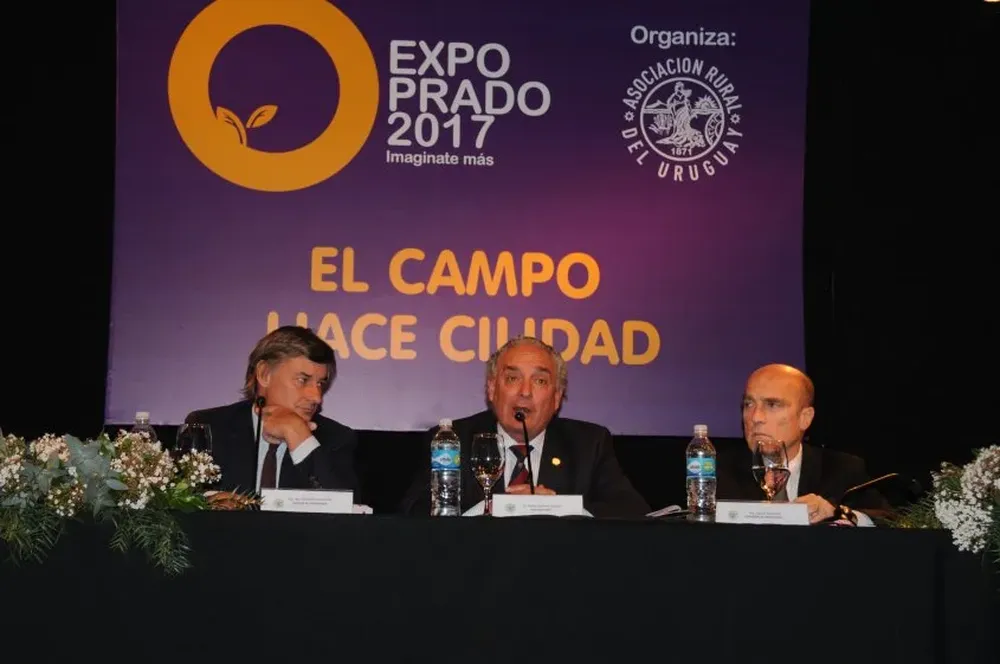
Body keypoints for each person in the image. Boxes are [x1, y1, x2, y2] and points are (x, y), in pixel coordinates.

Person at [400, 335, 649, 518]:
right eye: (512, 378)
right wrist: (490, 509)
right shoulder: (453, 440)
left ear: (557, 397)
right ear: (491, 388)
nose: (525, 392)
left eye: (540, 381)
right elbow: (413, 513)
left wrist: (558, 508)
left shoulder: (589, 443)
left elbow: (633, 511)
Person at [183, 325, 359, 496]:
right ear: (264, 374)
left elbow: (347, 517)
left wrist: (299, 436)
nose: (316, 397)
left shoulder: (335, 438)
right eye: (303, 380)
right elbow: (179, 504)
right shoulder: (209, 428)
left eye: (320, 383)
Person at [717, 363, 890, 525]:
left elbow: (889, 519)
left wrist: (839, 513)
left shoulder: (841, 468)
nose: (755, 417)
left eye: (772, 404)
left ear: (805, 418)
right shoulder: (717, 472)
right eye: (749, 404)